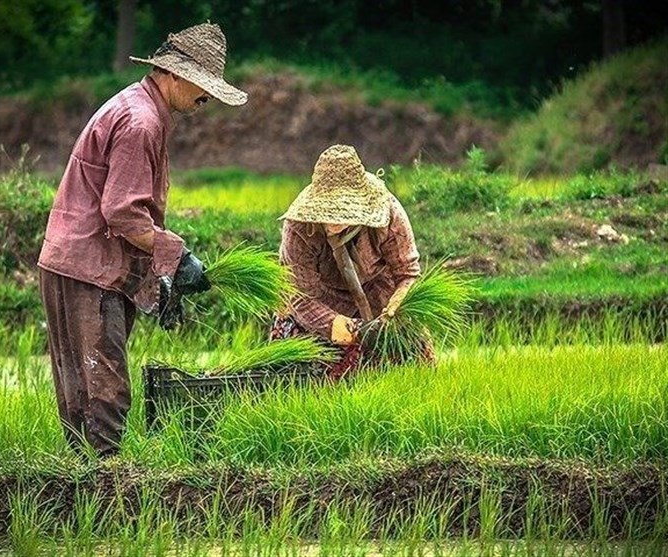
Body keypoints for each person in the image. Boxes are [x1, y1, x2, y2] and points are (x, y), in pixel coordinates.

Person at [38, 23, 248, 457]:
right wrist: (177, 254)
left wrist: (161, 276)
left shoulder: (141, 109)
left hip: (85, 262)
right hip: (88, 268)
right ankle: (105, 484)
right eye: (203, 86)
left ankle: (90, 479)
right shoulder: (140, 122)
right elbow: (123, 212)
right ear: (174, 75)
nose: (206, 98)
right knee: (103, 386)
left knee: (88, 385)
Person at [273, 144, 435, 380]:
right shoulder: (299, 228)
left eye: (342, 212)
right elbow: (301, 296)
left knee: (412, 366)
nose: (333, 219)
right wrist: (354, 330)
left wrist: (394, 310)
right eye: (327, 210)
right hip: (319, 304)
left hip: (378, 297)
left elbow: (407, 274)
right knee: (304, 374)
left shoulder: (388, 214)